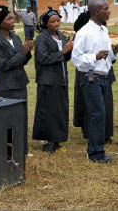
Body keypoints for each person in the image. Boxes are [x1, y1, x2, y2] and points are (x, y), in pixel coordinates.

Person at [72, 0, 118, 164]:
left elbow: (106, 57)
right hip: (91, 77)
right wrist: (94, 56)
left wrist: (114, 53)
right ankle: (95, 153)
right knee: (97, 114)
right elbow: (76, 59)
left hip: (104, 77)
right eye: (106, 9)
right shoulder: (84, 32)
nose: (109, 11)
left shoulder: (103, 30)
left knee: (101, 114)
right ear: (96, 12)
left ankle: (97, 149)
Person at [0, 5, 34, 153]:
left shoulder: (15, 37)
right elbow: (4, 65)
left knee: (20, 118)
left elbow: (22, 60)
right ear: (0, 22)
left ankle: (21, 150)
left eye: (12, 18)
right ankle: (7, 151)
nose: (13, 21)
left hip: (20, 83)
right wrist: (22, 53)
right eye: (9, 19)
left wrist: (27, 51)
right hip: (6, 86)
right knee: (7, 119)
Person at [32, 8, 73, 154]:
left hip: (61, 78)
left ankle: (57, 140)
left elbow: (64, 58)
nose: (56, 23)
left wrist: (69, 51)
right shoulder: (42, 38)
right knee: (48, 110)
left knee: (59, 110)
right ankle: (48, 141)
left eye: (58, 20)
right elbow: (43, 58)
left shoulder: (60, 36)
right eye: (52, 21)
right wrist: (62, 52)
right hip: (48, 79)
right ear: (46, 24)